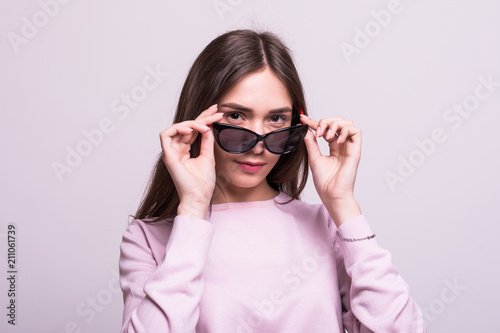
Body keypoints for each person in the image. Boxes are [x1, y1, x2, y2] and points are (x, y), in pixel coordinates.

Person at [118, 29, 426, 333]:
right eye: (236, 117)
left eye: (276, 119)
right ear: (198, 119)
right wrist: (194, 209)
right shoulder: (148, 239)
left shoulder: (327, 226)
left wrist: (343, 205)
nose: (258, 144)